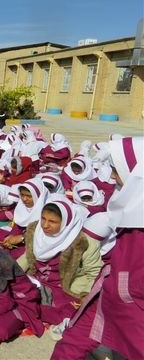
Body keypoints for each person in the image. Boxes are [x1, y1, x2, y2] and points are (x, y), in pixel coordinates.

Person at [51, 136, 143, 360]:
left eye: (116, 169)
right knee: (72, 343)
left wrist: (123, 290)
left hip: (132, 310)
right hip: (110, 295)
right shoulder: (133, 216)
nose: (111, 175)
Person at [16, 197, 102, 333]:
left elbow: (95, 272)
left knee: (69, 313)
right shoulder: (35, 230)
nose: (45, 225)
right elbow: (27, 256)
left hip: (63, 288)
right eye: (43, 218)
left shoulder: (83, 242)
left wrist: (86, 294)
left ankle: (29, 310)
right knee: (10, 292)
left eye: (52, 221)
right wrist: (11, 273)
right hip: (36, 279)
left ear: (66, 223)